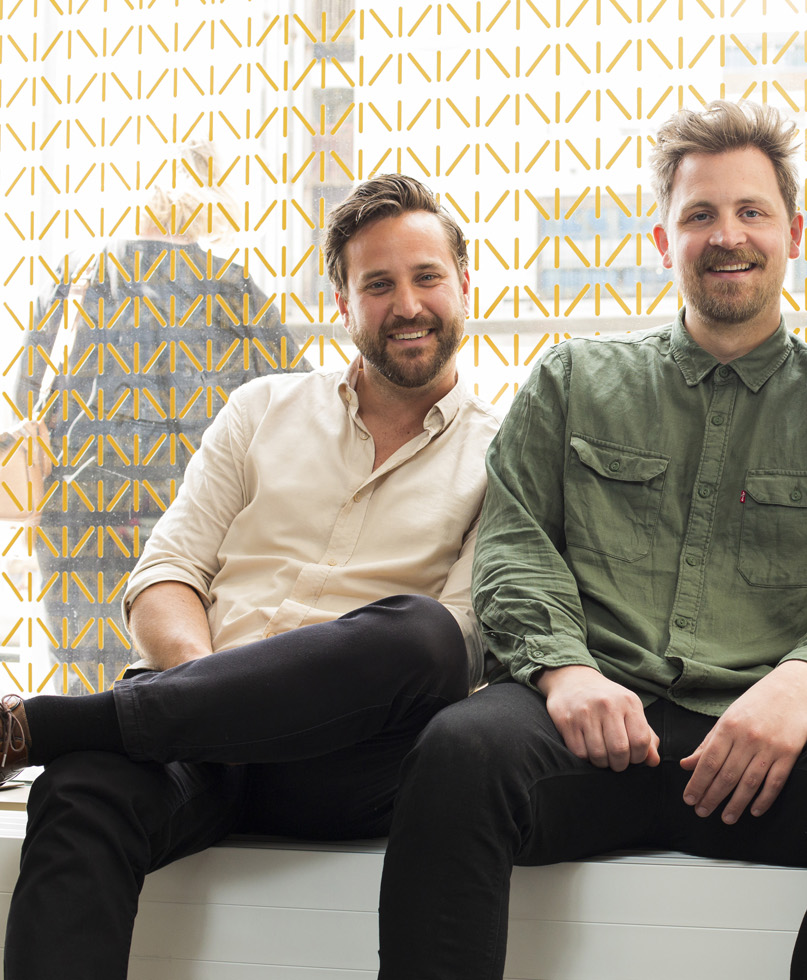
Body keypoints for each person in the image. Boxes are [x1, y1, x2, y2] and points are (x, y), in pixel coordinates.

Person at [376, 100, 807, 980]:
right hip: (582, 735)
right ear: (664, 241)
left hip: (761, 755)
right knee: (458, 751)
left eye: (751, 211)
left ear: (794, 234)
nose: (727, 235)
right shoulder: (573, 378)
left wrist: (797, 688)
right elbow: (514, 548)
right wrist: (566, 674)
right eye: (699, 215)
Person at [0, 172, 499, 979]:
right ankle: (77, 737)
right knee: (81, 786)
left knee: (427, 636)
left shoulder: (503, 452)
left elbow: (465, 640)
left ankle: (40, 723)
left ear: (464, 285)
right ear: (342, 302)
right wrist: (211, 697)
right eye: (378, 284)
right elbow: (166, 574)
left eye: (426, 277)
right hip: (193, 738)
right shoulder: (260, 408)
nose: (407, 304)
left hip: (348, 761)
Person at [5, 140, 306, 684]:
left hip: (81, 519)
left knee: (89, 683)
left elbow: (25, 397)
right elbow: (301, 403)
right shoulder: (231, 288)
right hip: (195, 524)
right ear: (210, 203)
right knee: (184, 680)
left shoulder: (77, 279)